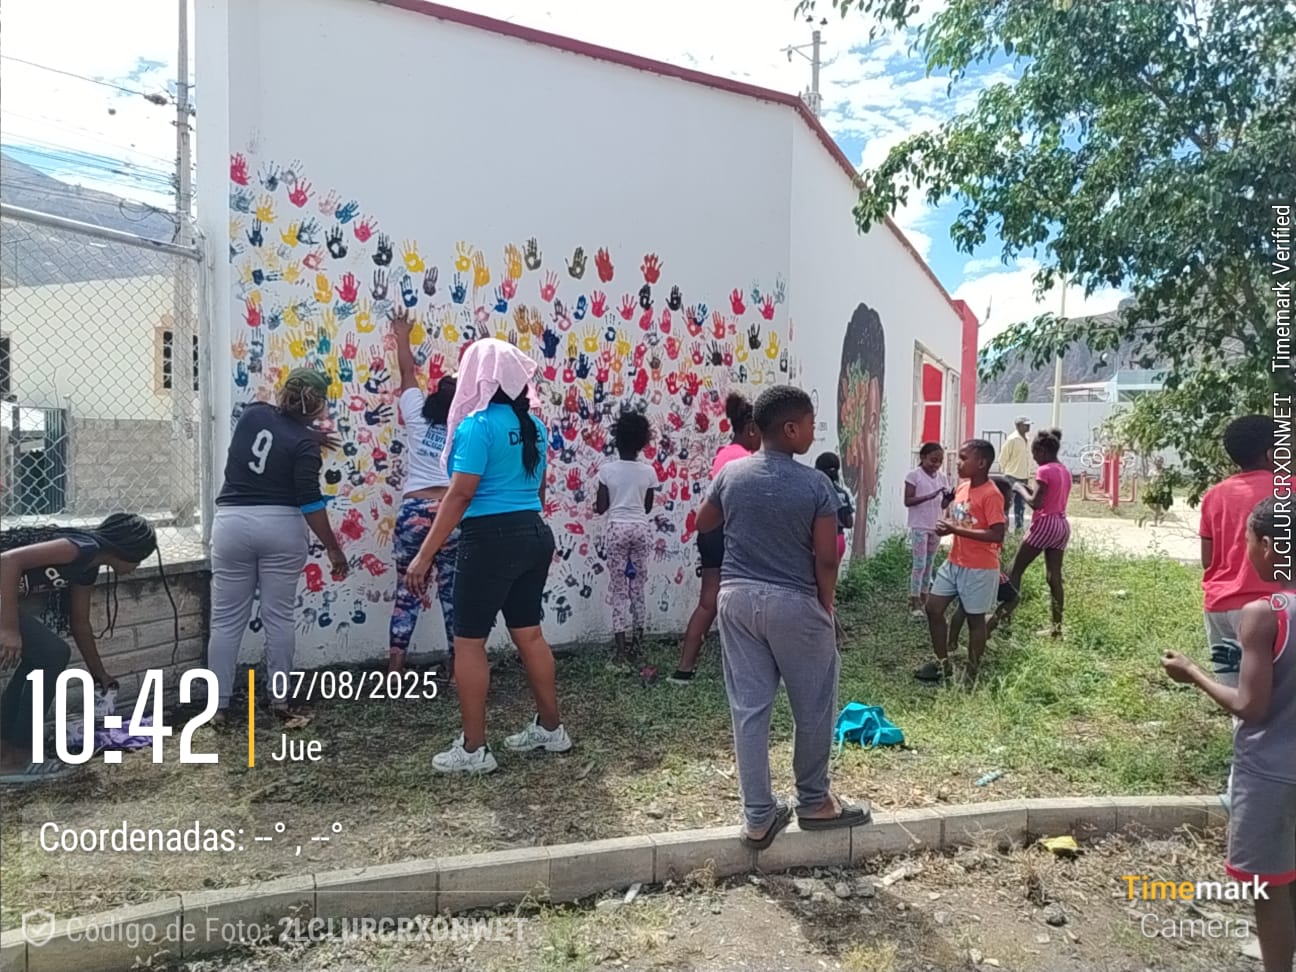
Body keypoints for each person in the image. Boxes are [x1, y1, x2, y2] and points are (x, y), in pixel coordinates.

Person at [696, 385, 871, 848]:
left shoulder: (731, 473)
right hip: (794, 602)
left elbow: (703, 521)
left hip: (736, 600)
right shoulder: (815, 485)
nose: (813, 432)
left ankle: (757, 818)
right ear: (791, 429)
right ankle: (814, 801)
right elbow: (827, 557)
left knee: (749, 710)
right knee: (813, 705)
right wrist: (825, 604)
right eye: (811, 424)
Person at [406, 338, 570, 775]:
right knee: (529, 635)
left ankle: (475, 748)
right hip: (534, 533)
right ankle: (551, 729)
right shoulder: (534, 426)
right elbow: (538, 490)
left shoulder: (476, 426)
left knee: (469, 642)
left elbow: (460, 494)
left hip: (489, 539)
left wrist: (424, 555)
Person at [1162, 498, 1293, 972]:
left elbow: (1250, 707)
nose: (1245, 549)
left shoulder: (1265, 614)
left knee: (1271, 885)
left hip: (1272, 774)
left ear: (1270, 546)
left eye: (1248, 541)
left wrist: (1192, 672)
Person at [208, 369, 349, 723]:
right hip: (281, 527)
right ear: (318, 405)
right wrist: (333, 548)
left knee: (225, 621)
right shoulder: (305, 445)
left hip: (232, 523)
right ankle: (280, 702)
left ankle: (218, 706)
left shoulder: (253, 413)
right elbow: (310, 502)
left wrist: (306, 433)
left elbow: (271, 435)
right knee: (279, 617)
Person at [0, 514, 165, 783]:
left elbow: (80, 623)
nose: (136, 567)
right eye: (140, 559)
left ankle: (7, 750)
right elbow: (8, 560)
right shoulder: (82, 547)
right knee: (52, 653)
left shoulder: (88, 567)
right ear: (129, 551)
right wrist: (8, 628)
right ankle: (15, 758)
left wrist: (99, 674)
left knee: (45, 655)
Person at [668, 393, 761, 685]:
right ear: (751, 429)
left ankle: (684, 669)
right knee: (748, 601)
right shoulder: (746, 459)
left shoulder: (725, 453)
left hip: (710, 533)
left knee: (708, 602)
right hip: (730, 533)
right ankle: (753, 669)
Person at [388, 310, 459, 677]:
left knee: (407, 591)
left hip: (414, 510)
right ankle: (457, 669)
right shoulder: (465, 426)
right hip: (450, 514)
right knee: (454, 595)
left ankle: (395, 669)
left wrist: (402, 335)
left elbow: (406, 373)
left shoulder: (416, 413)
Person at [916, 440, 1006, 685]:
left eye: (964, 458)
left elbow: (997, 534)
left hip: (980, 568)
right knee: (933, 608)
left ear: (981, 463)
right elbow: (963, 521)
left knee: (975, 621)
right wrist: (949, 527)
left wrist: (955, 530)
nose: (958, 462)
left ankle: (971, 673)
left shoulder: (991, 494)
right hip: (954, 562)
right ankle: (942, 664)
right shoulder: (963, 488)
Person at [1199, 415, 1279, 687]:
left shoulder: (1214, 495)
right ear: (1271, 453)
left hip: (1220, 608)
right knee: (1278, 696)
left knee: (1234, 694)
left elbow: (1207, 559)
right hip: (1271, 609)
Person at [991, 429, 1071, 638]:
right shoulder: (1063, 470)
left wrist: (1019, 488)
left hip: (1045, 523)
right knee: (1054, 577)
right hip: (1061, 524)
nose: (1034, 459)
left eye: (1034, 453)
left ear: (1042, 451)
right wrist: (1027, 488)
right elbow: (1048, 496)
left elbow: (1036, 503)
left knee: (1014, 569)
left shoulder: (1044, 471)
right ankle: (1056, 629)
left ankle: (1004, 620)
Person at [595, 410, 657, 668]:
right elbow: (648, 507)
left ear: (616, 440)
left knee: (619, 590)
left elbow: (601, 507)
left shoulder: (607, 471)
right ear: (642, 442)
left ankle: (620, 653)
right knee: (637, 589)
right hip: (640, 529)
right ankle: (637, 647)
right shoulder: (648, 472)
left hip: (617, 529)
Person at [904, 443, 951, 618]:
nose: (936, 464)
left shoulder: (942, 478)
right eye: (933, 460)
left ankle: (925, 596)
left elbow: (943, 504)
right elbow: (908, 501)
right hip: (919, 526)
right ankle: (914, 599)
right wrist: (929, 496)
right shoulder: (913, 476)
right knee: (919, 564)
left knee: (929, 564)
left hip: (935, 525)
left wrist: (948, 498)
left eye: (939, 461)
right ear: (923, 458)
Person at [814, 452, 855, 565]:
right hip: (838, 541)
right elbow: (849, 523)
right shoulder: (842, 493)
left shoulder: (815, 492)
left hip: (819, 543)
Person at [999, 416, 1032, 531]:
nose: (1028, 427)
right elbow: (1002, 458)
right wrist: (1006, 472)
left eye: (1029, 424)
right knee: (1008, 504)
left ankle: (1019, 529)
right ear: (1018, 426)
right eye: (1025, 425)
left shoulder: (1027, 439)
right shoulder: (1012, 439)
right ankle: (1005, 529)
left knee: (1021, 505)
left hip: (1024, 477)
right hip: (1012, 477)